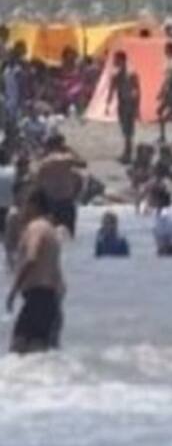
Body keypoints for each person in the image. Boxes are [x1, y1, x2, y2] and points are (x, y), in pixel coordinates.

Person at [7, 188, 65, 354]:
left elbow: (32, 257)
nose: (21, 209)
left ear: (34, 206)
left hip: (37, 298)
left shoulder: (35, 227)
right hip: (52, 301)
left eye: (24, 204)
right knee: (41, 355)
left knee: (17, 351)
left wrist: (14, 290)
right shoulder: (50, 230)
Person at [34, 133, 86, 238]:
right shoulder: (66, 159)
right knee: (69, 236)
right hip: (66, 200)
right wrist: (71, 150)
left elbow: (37, 182)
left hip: (50, 201)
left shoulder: (43, 162)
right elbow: (83, 163)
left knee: (51, 236)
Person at [105, 50, 141, 164]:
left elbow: (136, 90)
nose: (114, 62)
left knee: (128, 129)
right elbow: (112, 89)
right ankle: (127, 151)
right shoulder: (116, 74)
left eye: (116, 59)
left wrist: (136, 106)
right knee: (126, 129)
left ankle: (128, 153)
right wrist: (108, 103)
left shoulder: (131, 73)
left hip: (129, 103)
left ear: (122, 60)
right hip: (123, 103)